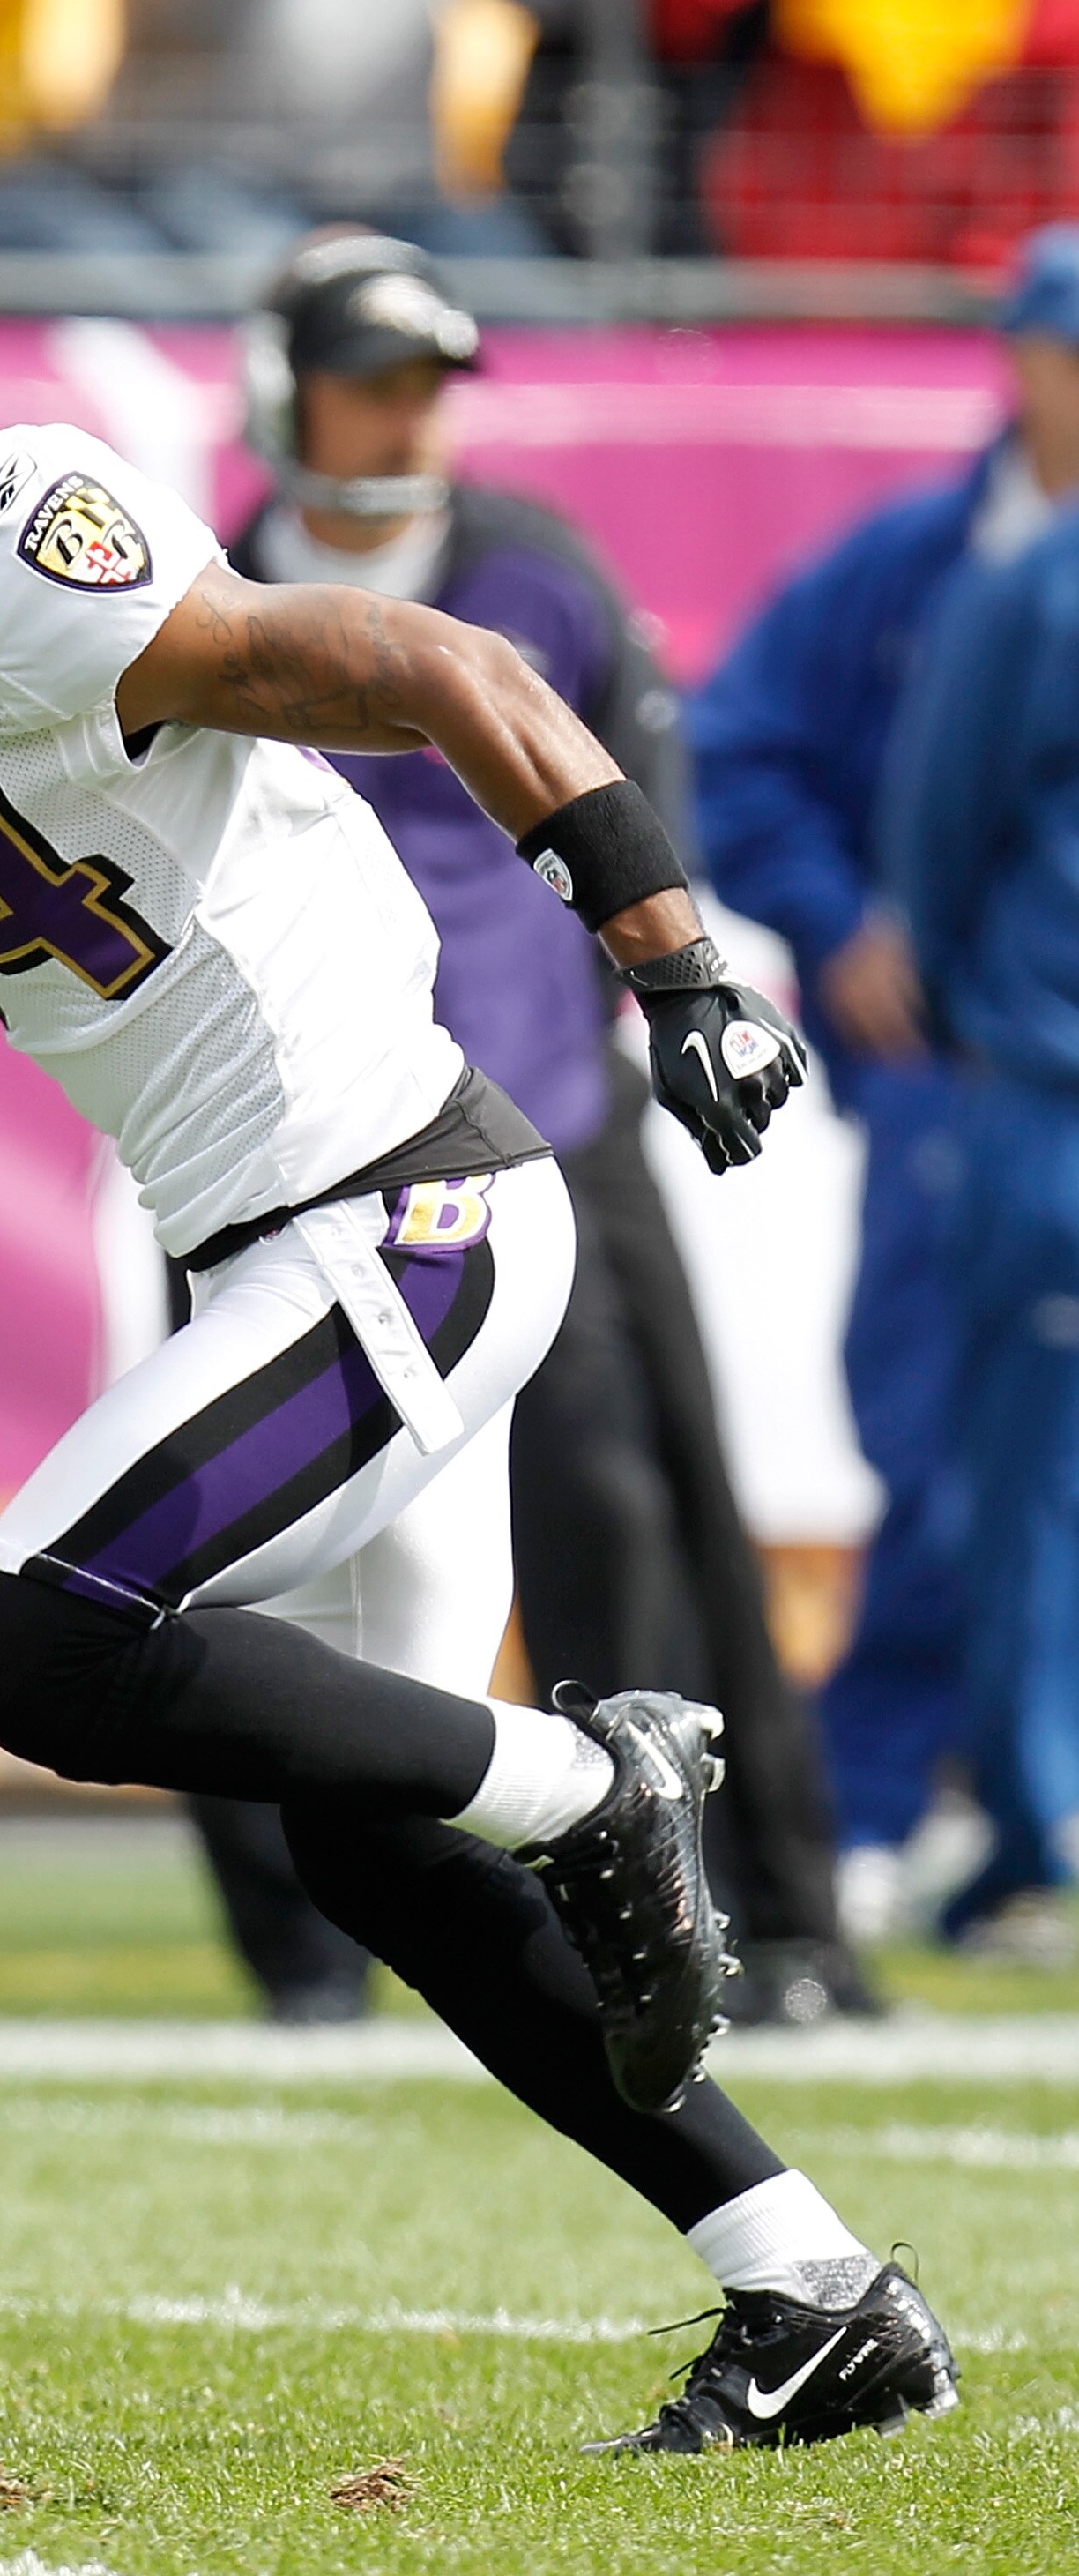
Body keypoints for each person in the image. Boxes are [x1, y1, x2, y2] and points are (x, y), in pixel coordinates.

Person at [0, 186, 956, 2452]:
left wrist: (670, 957)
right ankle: (811, 2290)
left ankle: (607, 1772)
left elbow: (441, 672)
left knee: (27, 1642)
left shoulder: (2, 545)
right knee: (372, 1832)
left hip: (408, 1210)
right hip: (283, 1241)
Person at [215, 228, 859, 2027]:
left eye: (428, 382)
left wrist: (681, 1013)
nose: (402, 419)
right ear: (285, 390)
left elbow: (627, 823)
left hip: (534, 1126)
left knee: (626, 1501)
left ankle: (733, 1905)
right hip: (264, 1134)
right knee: (250, 1535)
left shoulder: (534, 580)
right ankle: (300, 1939)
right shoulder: (189, 589)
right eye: (368, 378)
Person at [692, 222, 1079, 1956]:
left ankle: (986, 1808)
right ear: (1023, 360)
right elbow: (752, 752)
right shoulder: (942, 572)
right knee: (945, 1459)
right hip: (978, 1069)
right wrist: (857, 929)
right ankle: (888, 1806)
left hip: (1000, 1053)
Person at [882, 248, 1079, 1957]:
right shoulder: (1031, 585)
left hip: (1041, 1073)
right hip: (1053, 1089)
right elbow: (932, 837)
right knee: (1029, 1476)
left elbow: (940, 840)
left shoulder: (1037, 580)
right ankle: (1037, 1830)